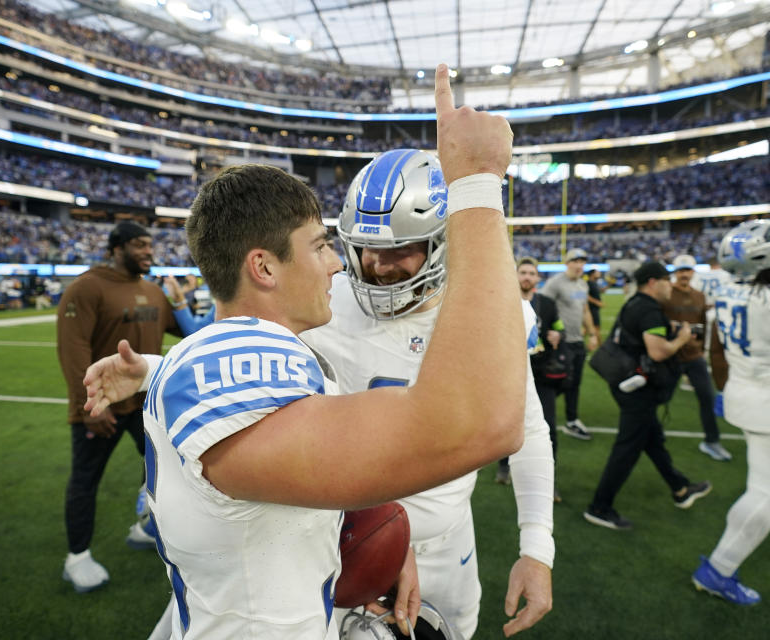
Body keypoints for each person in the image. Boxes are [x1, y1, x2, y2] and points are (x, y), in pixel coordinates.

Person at [83, 66, 530, 639]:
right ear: (264, 267)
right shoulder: (234, 365)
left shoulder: (249, 358)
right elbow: (480, 422)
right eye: (321, 246)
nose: (338, 263)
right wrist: (475, 183)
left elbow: (303, 456)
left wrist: (387, 544)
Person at [300, 151, 554, 639]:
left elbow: (530, 430)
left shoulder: (491, 310)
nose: (376, 265)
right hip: (349, 541)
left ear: (442, 244)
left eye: (401, 250)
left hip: (448, 541)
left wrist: (536, 548)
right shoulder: (324, 304)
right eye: (365, 249)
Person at [56, 220, 180, 593]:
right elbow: (73, 349)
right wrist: (88, 404)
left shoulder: (153, 291)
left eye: (149, 245)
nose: (148, 251)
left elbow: (186, 329)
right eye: (140, 245)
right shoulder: (87, 287)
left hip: (144, 404)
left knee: (169, 468)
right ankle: (76, 557)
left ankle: (145, 527)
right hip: (102, 406)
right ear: (117, 247)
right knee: (85, 481)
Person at [692, 220, 770, 605]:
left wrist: (728, 390)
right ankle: (718, 571)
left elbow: (716, 353)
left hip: (748, 399)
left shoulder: (729, 291)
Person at [584, 261, 713, 530]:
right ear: (654, 282)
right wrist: (682, 338)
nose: (671, 284)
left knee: (653, 440)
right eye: (667, 279)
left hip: (628, 382)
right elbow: (657, 351)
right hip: (638, 390)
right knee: (628, 447)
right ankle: (599, 506)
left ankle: (680, 489)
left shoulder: (636, 303)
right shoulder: (649, 309)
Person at [495, 257, 565, 501]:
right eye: (522, 272)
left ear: (538, 278)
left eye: (531, 273)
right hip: (509, 374)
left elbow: (558, 328)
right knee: (506, 423)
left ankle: (548, 479)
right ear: (515, 275)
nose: (526, 277)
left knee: (547, 427)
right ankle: (504, 465)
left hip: (541, 374)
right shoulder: (503, 301)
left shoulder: (546, 303)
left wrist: (558, 335)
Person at [663, 255, 731, 461]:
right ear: (675, 272)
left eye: (688, 270)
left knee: (707, 398)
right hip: (670, 355)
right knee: (657, 399)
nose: (684, 274)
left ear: (693, 272)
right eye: (681, 270)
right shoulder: (666, 294)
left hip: (693, 357)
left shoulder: (700, 296)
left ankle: (712, 441)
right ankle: (650, 436)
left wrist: (700, 348)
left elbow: (702, 325)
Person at [542, 248, 599, 440]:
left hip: (577, 341)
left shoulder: (583, 285)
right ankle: (536, 414)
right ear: (567, 263)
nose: (579, 265)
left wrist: (591, 333)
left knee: (575, 383)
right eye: (575, 261)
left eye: (582, 262)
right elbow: (542, 307)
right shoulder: (555, 283)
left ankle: (572, 420)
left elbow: (585, 311)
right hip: (561, 343)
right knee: (556, 381)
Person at [586, 268, 606, 343]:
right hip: (591, 308)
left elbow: (602, 291)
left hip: (594, 308)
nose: (599, 273)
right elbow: (584, 295)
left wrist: (610, 284)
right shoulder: (588, 283)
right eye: (597, 272)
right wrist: (597, 302)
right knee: (596, 328)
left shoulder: (594, 283)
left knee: (587, 329)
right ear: (592, 274)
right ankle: (601, 346)